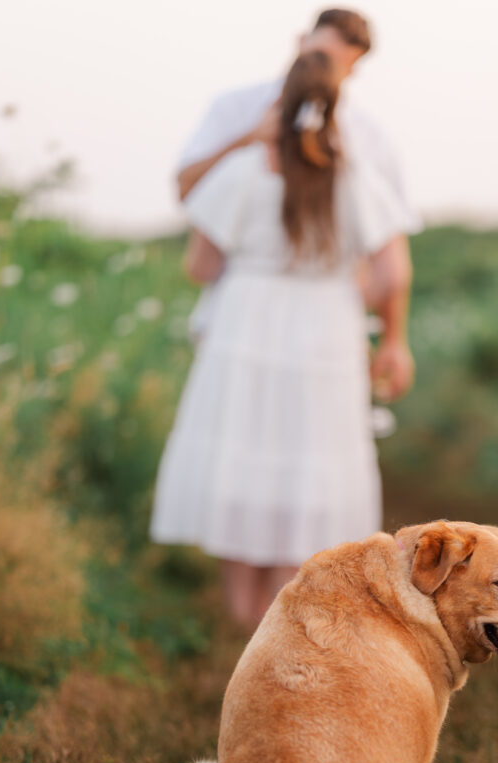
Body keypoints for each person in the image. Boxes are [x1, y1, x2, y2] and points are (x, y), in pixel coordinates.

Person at [150, 50, 413, 629]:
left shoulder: (242, 171)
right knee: (310, 463)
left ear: (279, 101)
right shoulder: (356, 175)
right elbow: (392, 273)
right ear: (336, 104)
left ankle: (243, 617)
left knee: (241, 459)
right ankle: (281, 616)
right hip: (327, 327)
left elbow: (200, 265)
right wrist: (381, 327)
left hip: (247, 321)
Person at [177, 7, 419, 382]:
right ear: (299, 43)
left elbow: (199, 264)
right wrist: (246, 139)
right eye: (318, 55)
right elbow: (185, 187)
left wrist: (391, 337)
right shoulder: (235, 109)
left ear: (352, 70)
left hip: (254, 316)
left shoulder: (371, 139)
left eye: (337, 63)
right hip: (318, 324)